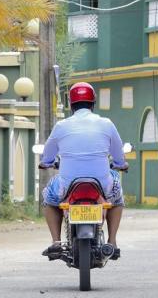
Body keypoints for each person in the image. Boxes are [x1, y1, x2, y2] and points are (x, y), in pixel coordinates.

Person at [39, 82, 129, 259]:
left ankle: (56, 242)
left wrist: (46, 162)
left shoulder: (61, 126)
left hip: (68, 185)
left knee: (48, 197)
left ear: (71, 105)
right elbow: (118, 155)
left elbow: (48, 155)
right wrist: (121, 164)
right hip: (101, 185)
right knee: (117, 198)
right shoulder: (106, 123)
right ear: (93, 103)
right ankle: (112, 241)